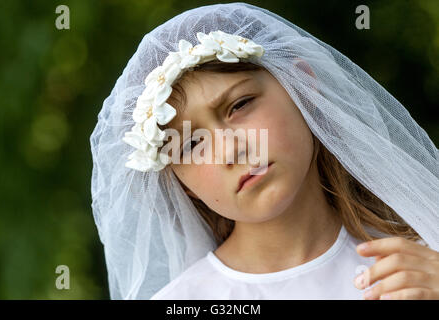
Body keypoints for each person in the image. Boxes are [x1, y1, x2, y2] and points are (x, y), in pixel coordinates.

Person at [89, 2, 439, 300]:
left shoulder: (420, 264)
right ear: (181, 182)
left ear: (304, 89)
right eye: (192, 143)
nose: (230, 150)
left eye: (239, 105)